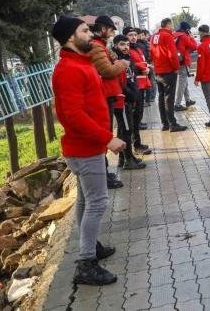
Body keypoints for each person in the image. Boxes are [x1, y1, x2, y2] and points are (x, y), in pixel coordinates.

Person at [51, 16, 125, 285]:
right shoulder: (70, 68)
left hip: (87, 146)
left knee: (85, 200)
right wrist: (107, 138)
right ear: (71, 37)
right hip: (85, 148)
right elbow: (73, 115)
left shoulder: (80, 63)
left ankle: (90, 247)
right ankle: (86, 263)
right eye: (84, 30)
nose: (90, 34)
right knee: (98, 202)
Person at [89, 15, 128, 190]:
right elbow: (106, 70)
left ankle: (103, 172)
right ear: (104, 29)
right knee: (103, 134)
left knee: (106, 131)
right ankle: (102, 175)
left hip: (108, 94)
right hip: (103, 95)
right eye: (111, 30)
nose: (112, 33)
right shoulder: (97, 47)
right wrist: (123, 64)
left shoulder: (101, 47)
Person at [111, 35, 147, 170]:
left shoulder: (127, 59)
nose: (126, 47)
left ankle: (124, 157)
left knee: (124, 129)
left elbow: (130, 78)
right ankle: (128, 159)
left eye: (127, 44)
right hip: (122, 100)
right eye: (122, 44)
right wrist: (130, 94)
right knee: (126, 130)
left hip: (129, 98)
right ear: (115, 46)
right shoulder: (116, 61)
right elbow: (119, 82)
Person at [150, 18, 187, 133]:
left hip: (158, 71)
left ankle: (164, 123)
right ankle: (172, 123)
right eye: (171, 25)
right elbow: (172, 54)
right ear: (168, 25)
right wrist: (176, 68)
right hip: (168, 71)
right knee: (169, 98)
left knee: (161, 97)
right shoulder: (167, 36)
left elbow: (151, 53)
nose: (172, 28)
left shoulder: (154, 36)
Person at [126, 28, 152, 150]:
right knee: (134, 116)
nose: (134, 37)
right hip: (134, 86)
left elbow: (143, 62)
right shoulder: (127, 50)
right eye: (130, 35)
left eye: (135, 35)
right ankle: (135, 142)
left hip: (141, 84)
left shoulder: (139, 48)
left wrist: (147, 69)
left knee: (139, 114)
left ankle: (136, 141)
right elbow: (130, 66)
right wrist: (141, 68)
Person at [174, 21, 198, 111]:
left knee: (184, 82)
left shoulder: (174, 35)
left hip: (177, 61)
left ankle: (187, 100)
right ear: (187, 30)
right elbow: (194, 47)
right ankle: (177, 104)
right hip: (183, 62)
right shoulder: (184, 37)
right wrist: (192, 38)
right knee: (182, 83)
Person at [138, 29, 156, 105]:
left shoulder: (142, 44)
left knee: (150, 82)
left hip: (147, 65)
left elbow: (147, 55)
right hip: (148, 64)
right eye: (140, 35)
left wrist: (149, 64)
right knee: (149, 81)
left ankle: (150, 98)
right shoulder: (144, 44)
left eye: (142, 35)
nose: (141, 36)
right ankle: (150, 97)